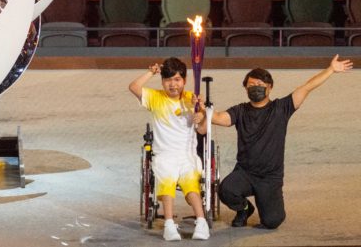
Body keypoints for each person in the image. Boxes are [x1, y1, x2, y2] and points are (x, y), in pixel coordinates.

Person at [207, 55, 353, 230]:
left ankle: (267, 204)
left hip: (270, 178)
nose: (255, 88)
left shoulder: (282, 108)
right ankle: (244, 209)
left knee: (272, 221)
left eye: (260, 84)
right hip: (245, 173)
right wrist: (202, 109)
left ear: (270, 87)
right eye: (251, 85)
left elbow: (307, 87)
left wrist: (330, 70)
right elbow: (218, 117)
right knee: (226, 190)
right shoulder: (240, 111)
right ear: (245, 88)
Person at [129, 57, 210, 241]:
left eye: (177, 79)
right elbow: (133, 87)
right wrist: (151, 72)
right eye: (168, 80)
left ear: (185, 80)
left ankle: (201, 222)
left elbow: (203, 130)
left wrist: (202, 114)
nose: (173, 84)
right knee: (167, 180)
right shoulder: (155, 97)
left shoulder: (192, 99)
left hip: (187, 155)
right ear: (162, 81)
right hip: (164, 155)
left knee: (191, 184)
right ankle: (169, 224)